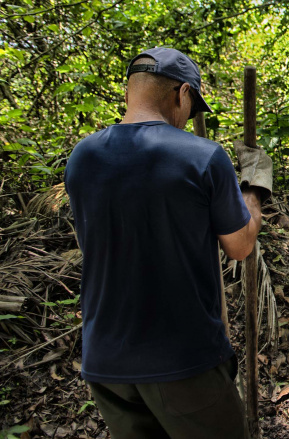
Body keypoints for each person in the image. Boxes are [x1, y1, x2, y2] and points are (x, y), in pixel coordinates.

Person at [64, 47, 270, 439]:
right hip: (182, 358)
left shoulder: (82, 157)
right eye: (191, 108)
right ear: (182, 93)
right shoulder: (203, 156)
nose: (187, 118)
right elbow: (240, 246)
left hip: (105, 361)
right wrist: (255, 189)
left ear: (130, 91)